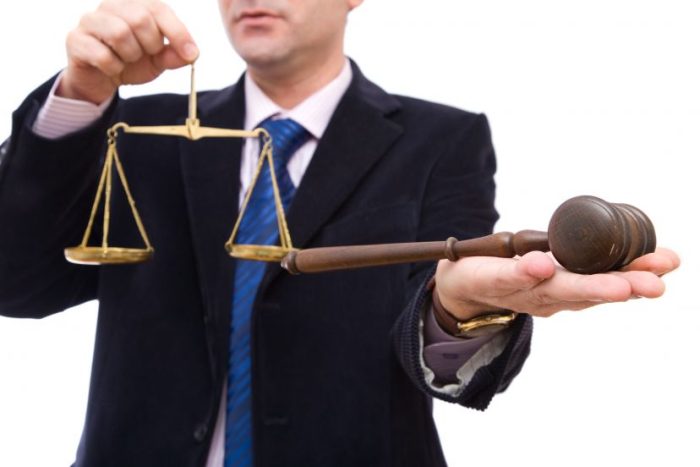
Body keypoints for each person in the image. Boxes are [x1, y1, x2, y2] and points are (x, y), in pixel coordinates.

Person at [0, 0, 679, 466]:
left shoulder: (441, 138)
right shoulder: (141, 131)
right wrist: (82, 93)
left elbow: (430, 319)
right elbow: (16, 283)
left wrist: (456, 310)